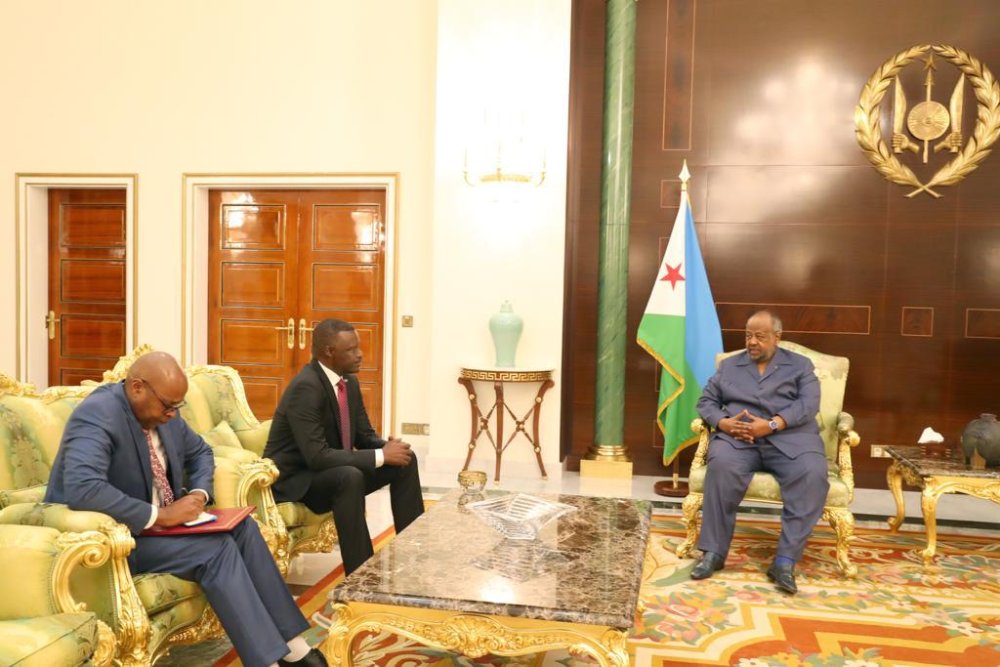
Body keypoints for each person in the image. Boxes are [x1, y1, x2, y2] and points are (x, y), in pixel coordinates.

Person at [44, 352, 326, 667]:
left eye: (177, 406)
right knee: (215, 550)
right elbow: (83, 487)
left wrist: (198, 494)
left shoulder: (164, 413)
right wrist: (161, 515)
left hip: (163, 529)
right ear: (137, 387)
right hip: (117, 540)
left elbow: (200, 452)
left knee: (244, 529)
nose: (172, 414)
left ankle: (294, 650)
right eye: (168, 405)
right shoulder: (98, 414)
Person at [264, 318, 424, 575]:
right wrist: (381, 455)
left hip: (330, 469)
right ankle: (362, 574)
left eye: (358, 347)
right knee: (348, 477)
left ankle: (413, 555)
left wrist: (388, 448)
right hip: (299, 480)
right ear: (329, 352)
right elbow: (317, 457)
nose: (360, 355)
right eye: (351, 349)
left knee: (406, 459)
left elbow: (364, 436)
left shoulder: (348, 381)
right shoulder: (306, 387)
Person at [689, 310, 828, 595]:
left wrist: (773, 424)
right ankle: (713, 553)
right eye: (748, 336)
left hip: (790, 438)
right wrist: (723, 423)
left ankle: (785, 561)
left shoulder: (800, 365)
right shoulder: (729, 366)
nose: (752, 342)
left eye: (760, 336)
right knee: (722, 465)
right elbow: (706, 401)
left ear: (777, 337)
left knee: (813, 474)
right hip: (739, 438)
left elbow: (809, 404)